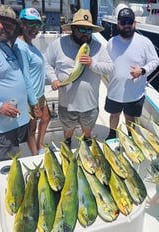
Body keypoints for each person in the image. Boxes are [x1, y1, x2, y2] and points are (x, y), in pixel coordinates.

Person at [45, 9, 114, 147]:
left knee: (87, 129)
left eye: (89, 30)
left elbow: (110, 67)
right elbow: (46, 63)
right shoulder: (58, 44)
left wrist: (92, 63)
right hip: (67, 102)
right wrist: (54, 79)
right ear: (73, 28)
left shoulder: (98, 47)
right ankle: (68, 142)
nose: (85, 33)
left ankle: (87, 142)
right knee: (68, 128)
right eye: (82, 28)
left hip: (90, 103)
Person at [0, 4, 39, 162]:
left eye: (12, 25)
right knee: (8, 169)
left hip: (14, 122)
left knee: (16, 160)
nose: (7, 28)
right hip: (1, 127)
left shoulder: (2, 43)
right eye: (3, 23)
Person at [104, 7, 159, 140]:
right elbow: (104, 62)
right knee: (114, 114)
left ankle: (130, 136)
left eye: (129, 21)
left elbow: (155, 60)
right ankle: (112, 134)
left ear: (135, 23)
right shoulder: (111, 42)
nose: (127, 25)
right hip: (114, 90)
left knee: (130, 116)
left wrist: (142, 71)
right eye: (123, 22)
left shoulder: (144, 42)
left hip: (134, 92)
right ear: (118, 25)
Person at [15, 8, 51, 155]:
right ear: (22, 24)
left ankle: (40, 144)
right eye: (30, 24)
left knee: (47, 117)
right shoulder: (21, 46)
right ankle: (35, 155)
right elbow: (25, 77)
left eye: (37, 25)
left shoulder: (30, 44)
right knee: (32, 128)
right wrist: (34, 104)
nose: (34, 29)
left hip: (39, 93)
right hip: (31, 97)